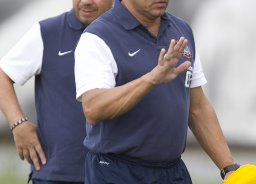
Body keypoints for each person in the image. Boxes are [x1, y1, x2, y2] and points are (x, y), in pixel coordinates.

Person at [74, 0, 239, 183]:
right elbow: (94, 108)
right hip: (116, 172)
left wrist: (228, 167)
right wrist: (151, 79)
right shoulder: (98, 36)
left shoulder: (181, 30)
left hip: (173, 171)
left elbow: (197, 108)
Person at [0, 0, 113, 183]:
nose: (86, 1)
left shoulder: (126, 33)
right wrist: (19, 124)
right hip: (56, 174)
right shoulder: (48, 32)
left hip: (114, 173)